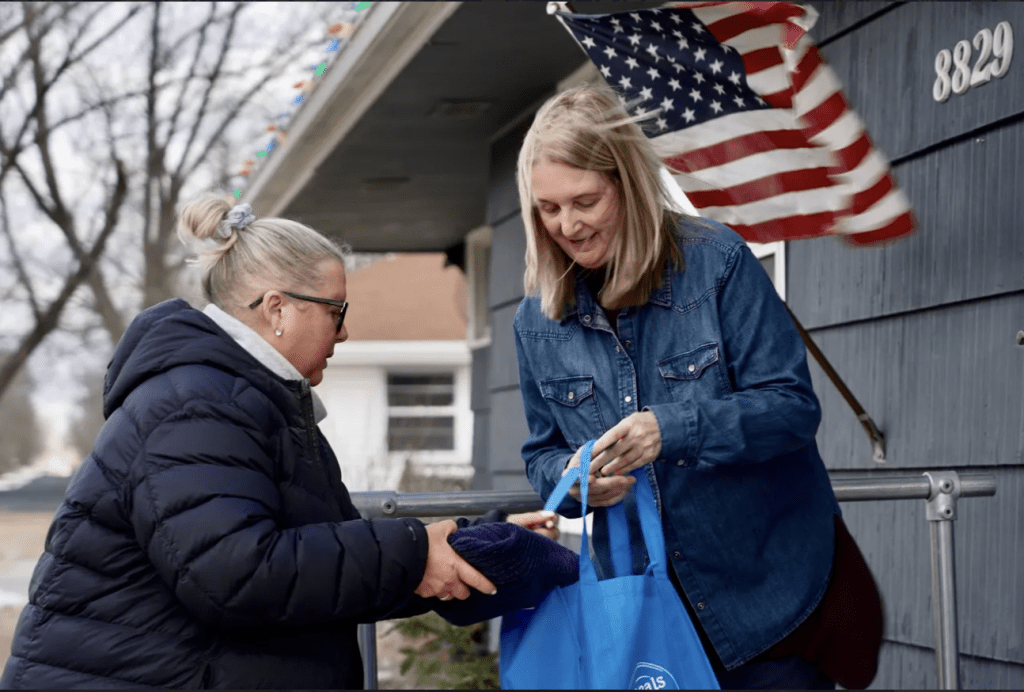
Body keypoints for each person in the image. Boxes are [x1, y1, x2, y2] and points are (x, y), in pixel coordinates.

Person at [0, 195, 556, 690]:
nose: (345, 332)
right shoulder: (198, 404)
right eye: (336, 311)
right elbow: (235, 573)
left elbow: (320, 561)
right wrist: (413, 554)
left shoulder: (246, 400)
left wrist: (464, 545)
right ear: (277, 309)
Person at [512, 86, 883, 690]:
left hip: (770, 605)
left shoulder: (719, 264)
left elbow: (792, 410)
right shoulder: (536, 319)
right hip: (645, 615)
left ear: (628, 186)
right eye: (548, 209)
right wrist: (575, 478)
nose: (568, 226)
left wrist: (674, 427)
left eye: (585, 201)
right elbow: (542, 453)